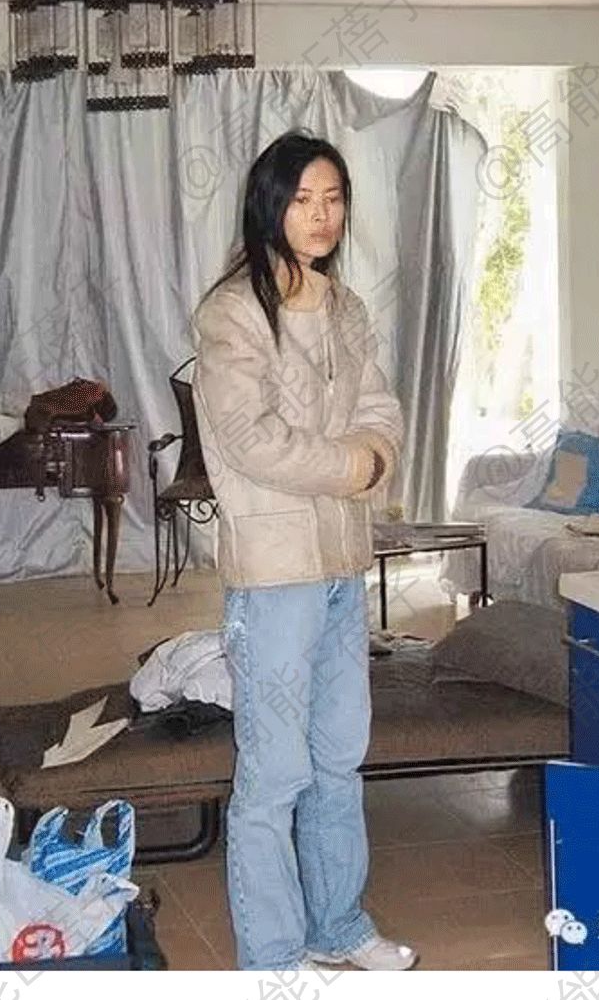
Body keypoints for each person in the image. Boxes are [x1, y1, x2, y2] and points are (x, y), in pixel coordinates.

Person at [191, 130, 417, 973]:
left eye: (333, 199)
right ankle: (275, 957)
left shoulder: (346, 307)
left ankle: (339, 925)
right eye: (301, 200)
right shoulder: (232, 311)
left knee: (338, 758)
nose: (320, 216)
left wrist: (376, 451)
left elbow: (380, 406)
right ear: (269, 205)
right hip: (275, 573)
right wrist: (352, 465)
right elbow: (249, 438)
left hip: (341, 565)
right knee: (275, 770)